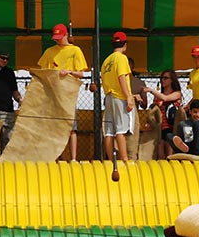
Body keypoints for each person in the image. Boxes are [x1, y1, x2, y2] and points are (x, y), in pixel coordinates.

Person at [38, 23, 90, 161]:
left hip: (69, 95)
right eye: (56, 38)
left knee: (71, 127)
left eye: (60, 37)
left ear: (66, 35)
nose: (57, 40)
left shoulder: (76, 51)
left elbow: (81, 74)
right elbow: (43, 72)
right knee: (55, 127)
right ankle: (57, 157)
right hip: (53, 95)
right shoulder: (49, 52)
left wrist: (69, 72)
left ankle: (73, 158)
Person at [100, 31, 135, 162]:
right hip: (119, 96)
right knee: (121, 129)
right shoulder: (121, 58)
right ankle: (124, 159)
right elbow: (122, 77)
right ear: (125, 45)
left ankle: (110, 160)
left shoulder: (106, 61)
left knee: (109, 130)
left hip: (108, 96)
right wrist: (128, 97)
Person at [146, 69, 182, 159]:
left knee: (170, 154)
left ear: (172, 80)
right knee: (160, 153)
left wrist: (151, 90)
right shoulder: (158, 96)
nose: (163, 80)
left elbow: (165, 98)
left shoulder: (177, 94)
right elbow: (153, 110)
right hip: (160, 127)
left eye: (165, 78)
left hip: (172, 127)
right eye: (161, 78)